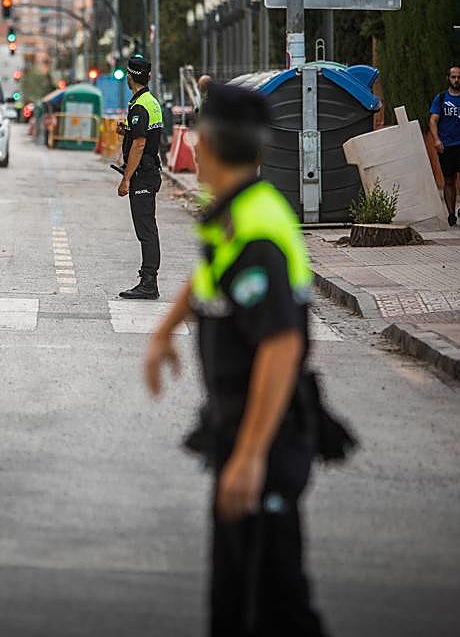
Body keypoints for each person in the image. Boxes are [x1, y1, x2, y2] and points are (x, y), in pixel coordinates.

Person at [144, 83, 354, 637]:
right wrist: (164, 331)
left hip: (268, 436)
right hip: (237, 427)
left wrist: (251, 456)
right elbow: (213, 276)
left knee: (280, 605)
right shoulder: (235, 214)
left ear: (205, 143)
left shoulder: (257, 226)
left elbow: (282, 344)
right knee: (235, 601)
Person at [116, 55, 165, 300]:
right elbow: (141, 133)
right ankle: (148, 279)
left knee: (146, 230)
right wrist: (125, 130)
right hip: (149, 171)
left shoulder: (140, 106)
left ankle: (149, 282)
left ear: (130, 77)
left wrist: (126, 178)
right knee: (147, 228)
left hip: (143, 175)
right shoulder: (150, 102)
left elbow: (139, 144)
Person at [429, 65, 460, 226]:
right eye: (453, 77)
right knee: (449, 180)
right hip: (446, 144)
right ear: (448, 78)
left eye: (459, 77)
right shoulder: (441, 98)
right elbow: (433, 120)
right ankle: (451, 213)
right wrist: (436, 140)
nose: (456, 80)